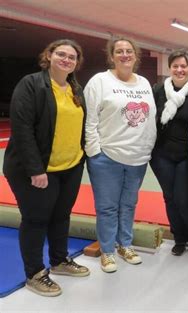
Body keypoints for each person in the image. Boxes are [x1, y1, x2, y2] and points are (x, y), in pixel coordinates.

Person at [3, 39, 90, 296]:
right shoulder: (31, 84)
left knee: (61, 217)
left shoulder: (75, 88)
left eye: (71, 57)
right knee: (36, 219)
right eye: (60, 54)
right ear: (49, 56)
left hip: (70, 166)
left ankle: (60, 260)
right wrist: (35, 169)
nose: (66, 60)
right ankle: (35, 273)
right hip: (37, 169)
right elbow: (22, 129)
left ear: (77, 62)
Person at [84, 36, 157, 273]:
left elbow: (149, 119)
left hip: (137, 157)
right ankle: (107, 251)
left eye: (129, 51)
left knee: (128, 205)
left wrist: (147, 147)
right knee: (107, 207)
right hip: (107, 156)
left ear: (136, 56)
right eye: (119, 51)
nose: (125, 55)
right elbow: (90, 120)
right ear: (112, 56)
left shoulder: (144, 82)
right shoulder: (100, 81)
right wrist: (95, 151)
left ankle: (125, 244)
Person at [149, 50, 188, 256]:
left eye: (184, 66)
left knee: (184, 198)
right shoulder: (158, 91)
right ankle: (179, 237)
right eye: (175, 66)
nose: (180, 70)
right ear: (169, 68)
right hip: (162, 155)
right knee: (170, 197)